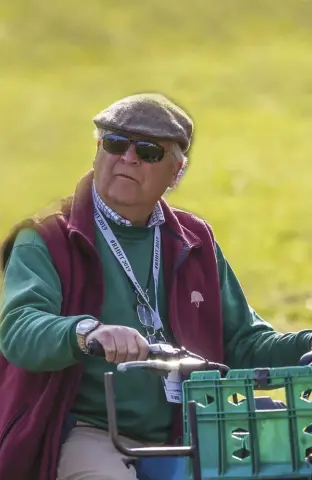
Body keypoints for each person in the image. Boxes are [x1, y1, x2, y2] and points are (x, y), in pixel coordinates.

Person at [0, 93, 311, 480]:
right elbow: (19, 329)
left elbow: (244, 343)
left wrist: (306, 343)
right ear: (98, 151)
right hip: (91, 430)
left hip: (197, 426)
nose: (128, 158)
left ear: (176, 172)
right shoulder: (47, 237)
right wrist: (86, 332)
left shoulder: (195, 239)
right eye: (115, 144)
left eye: (148, 151)